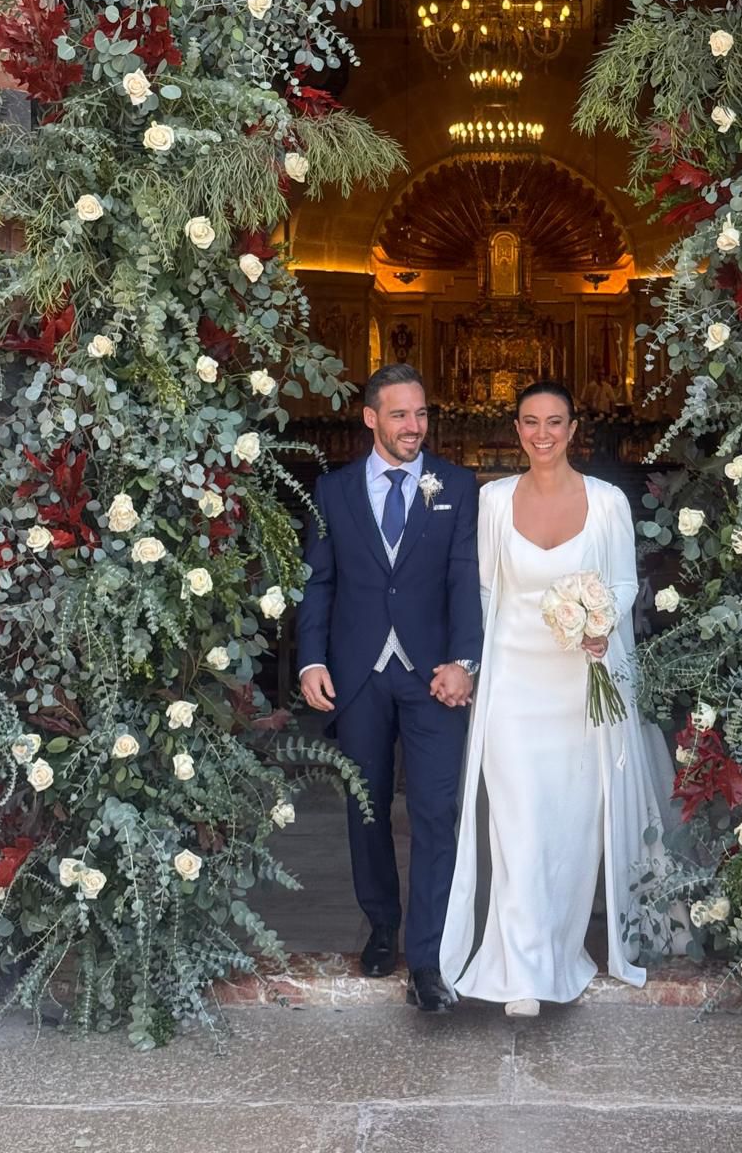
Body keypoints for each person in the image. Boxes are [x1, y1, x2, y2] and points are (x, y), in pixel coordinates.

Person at [440, 379, 687, 1016]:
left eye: (554, 421)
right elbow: (485, 592)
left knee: (570, 829)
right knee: (518, 823)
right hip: (514, 685)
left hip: (581, 686)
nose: (542, 433)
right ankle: (522, 971)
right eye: (530, 421)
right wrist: (470, 664)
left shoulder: (607, 502)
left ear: (574, 429)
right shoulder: (493, 500)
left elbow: (624, 583)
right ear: (516, 430)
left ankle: (558, 952)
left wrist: (602, 626)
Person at [297, 363, 482, 1013]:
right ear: (370, 417)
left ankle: (427, 959)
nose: (414, 426)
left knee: (435, 812)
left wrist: (465, 661)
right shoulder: (333, 491)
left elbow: (465, 579)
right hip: (359, 674)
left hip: (435, 677)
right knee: (367, 808)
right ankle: (381, 925)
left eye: (421, 413)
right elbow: (319, 581)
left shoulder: (457, 486)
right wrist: (310, 661)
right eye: (400, 414)